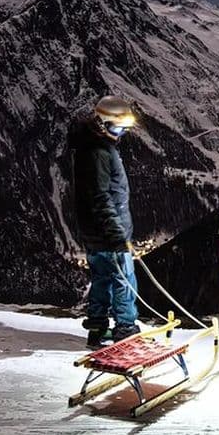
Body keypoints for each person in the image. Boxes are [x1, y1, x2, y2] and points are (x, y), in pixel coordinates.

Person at [69, 95, 140, 348]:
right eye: (118, 127)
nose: (121, 133)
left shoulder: (90, 147)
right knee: (124, 278)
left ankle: (98, 328)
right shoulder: (99, 152)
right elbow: (100, 197)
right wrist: (117, 234)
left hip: (94, 231)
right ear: (102, 123)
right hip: (109, 231)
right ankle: (125, 327)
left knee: (102, 278)